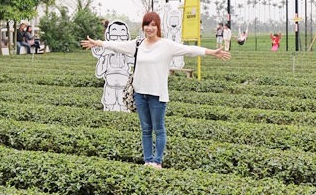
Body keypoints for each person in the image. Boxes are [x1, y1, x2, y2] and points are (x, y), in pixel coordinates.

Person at [81, 11, 231, 169]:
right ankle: (148, 160)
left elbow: (189, 49)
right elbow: (116, 45)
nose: (149, 28)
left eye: (153, 25)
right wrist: (98, 43)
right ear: (143, 27)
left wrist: (211, 52)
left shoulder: (167, 45)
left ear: (158, 27)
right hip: (140, 94)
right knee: (146, 129)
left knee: (158, 129)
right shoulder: (137, 45)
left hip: (157, 95)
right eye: (147, 24)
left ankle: (157, 161)